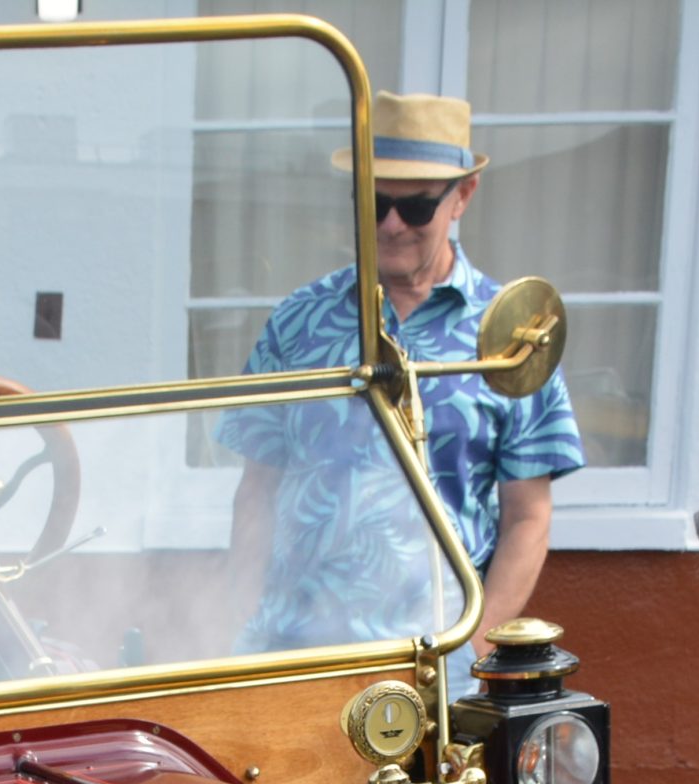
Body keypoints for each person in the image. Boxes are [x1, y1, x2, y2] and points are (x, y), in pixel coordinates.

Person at [219, 93, 582, 674]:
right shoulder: (298, 320)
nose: (391, 224)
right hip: (291, 657)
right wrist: (235, 624)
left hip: (435, 666)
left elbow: (527, 516)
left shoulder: (516, 334)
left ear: (462, 196)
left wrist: (475, 648)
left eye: (415, 207)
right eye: (376, 201)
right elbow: (256, 490)